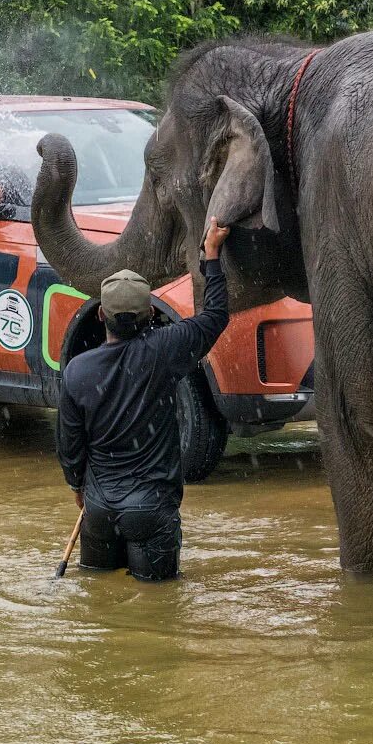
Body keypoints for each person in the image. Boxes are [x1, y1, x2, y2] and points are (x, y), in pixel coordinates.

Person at [55, 220, 231, 581]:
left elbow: (70, 445)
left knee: (99, 604)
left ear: (101, 314)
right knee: (158, 606)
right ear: (151, 314)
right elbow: (215, 316)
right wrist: (211, 256)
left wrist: (78, 487)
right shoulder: (165, 351)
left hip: (99, 510)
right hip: (150, 510)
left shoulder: (77, 371)